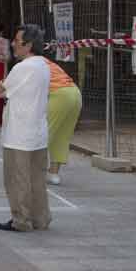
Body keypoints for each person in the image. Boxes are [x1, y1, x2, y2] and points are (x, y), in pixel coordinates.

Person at [0, 24, 51, 232]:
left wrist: (1, 83)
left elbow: (1, 91)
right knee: (36, 179)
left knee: (17, 179)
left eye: (17, 41)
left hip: (18, 133)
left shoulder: (23, 67)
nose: (13, 44)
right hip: (38, 132)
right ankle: (40, 218)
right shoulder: (44, 65)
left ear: (28, 46)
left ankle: (21, 219)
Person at [43, 57, 82, 185]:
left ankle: (34, 172)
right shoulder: (48, 62)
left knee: (43, 134)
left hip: (58, 94)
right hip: (75, 92)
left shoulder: (30, 64)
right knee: (61, 136)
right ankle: (53, 173)